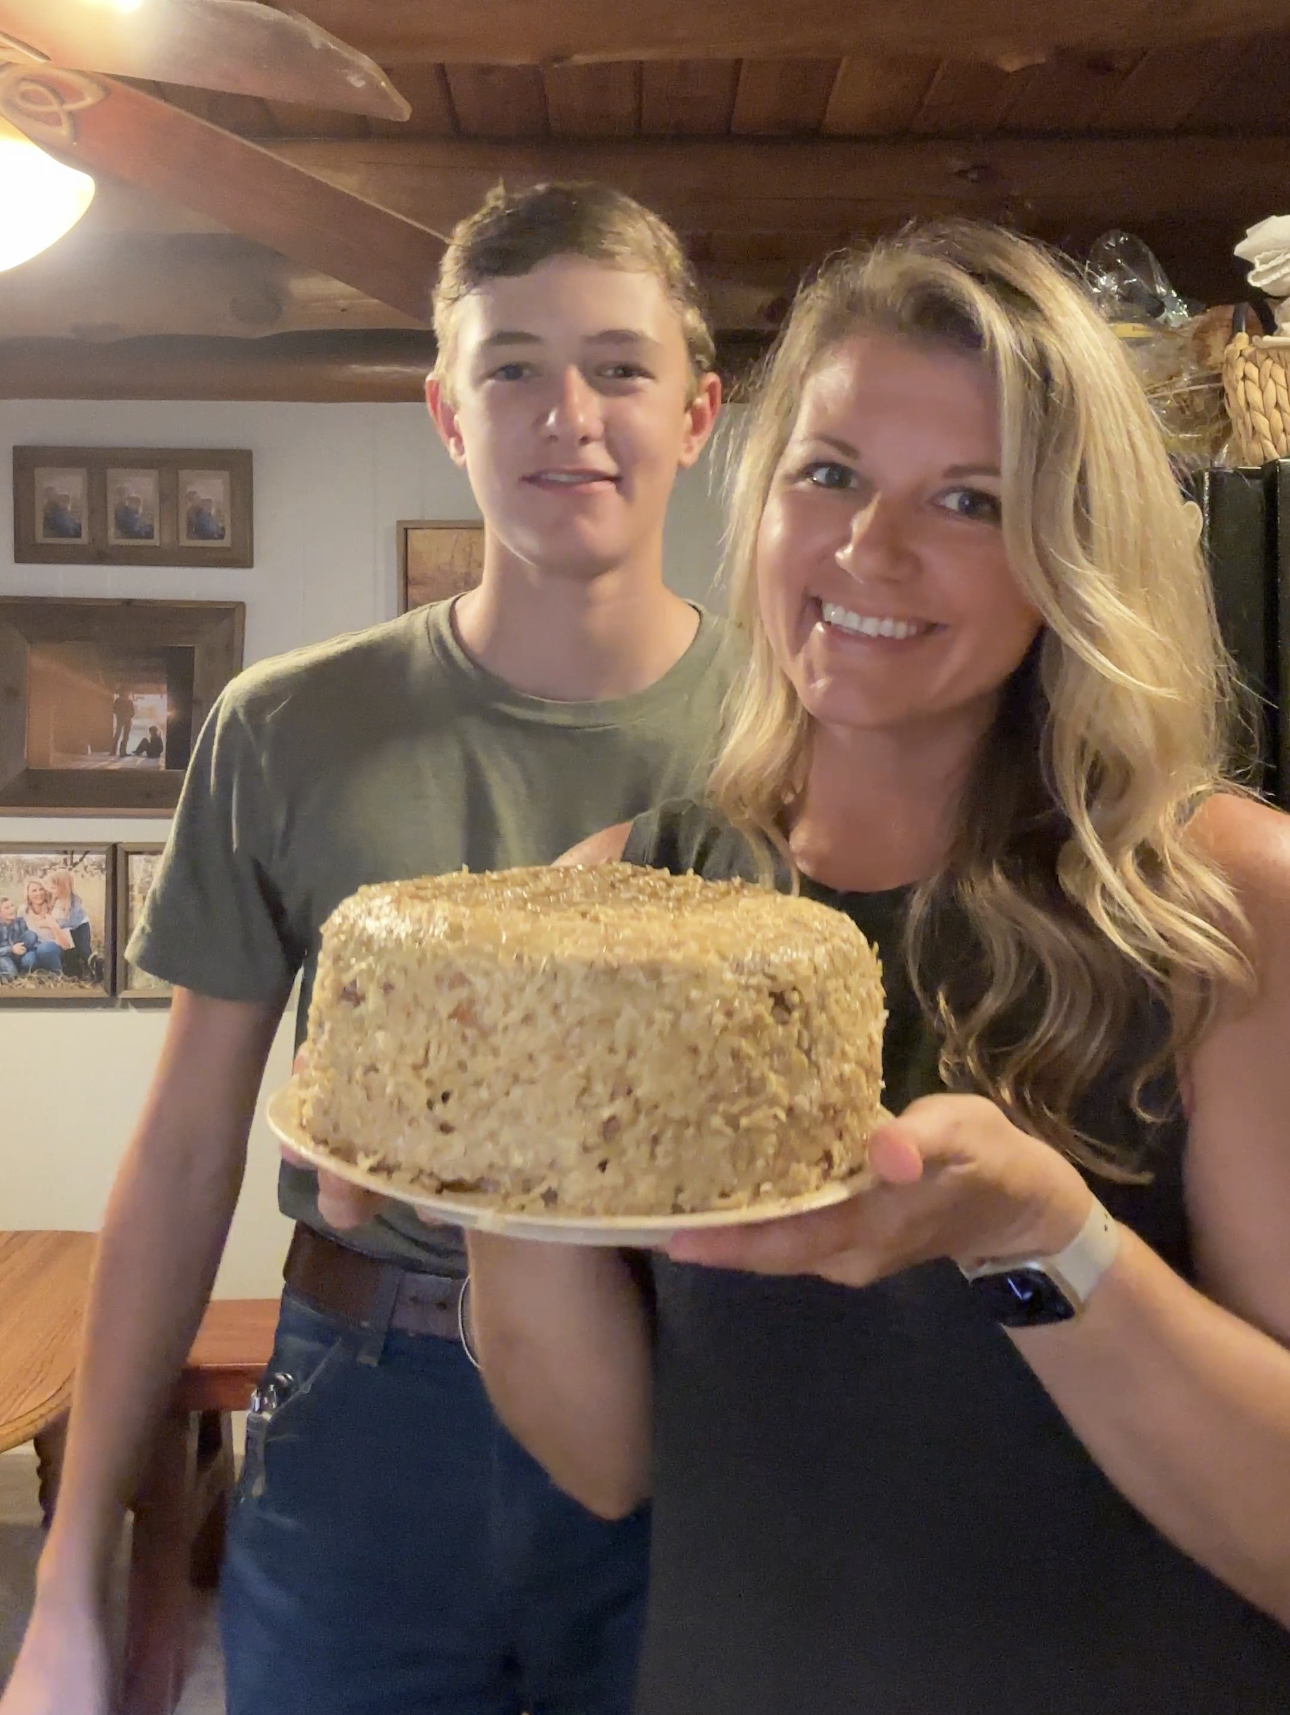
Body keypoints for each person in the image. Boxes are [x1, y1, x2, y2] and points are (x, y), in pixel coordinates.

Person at [459, 221, 1290, 1712]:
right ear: (760, 498)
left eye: (965, 499)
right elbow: (607, 1461)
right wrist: (481, 1167)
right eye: (827, 474)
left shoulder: (1226, 903)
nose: (867, 550)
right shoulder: (622, 905)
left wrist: (1044, 1237)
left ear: (1069, 549)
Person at [2, 181, 728, 1715]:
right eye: (510, 367)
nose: (567, 413)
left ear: (699, 411)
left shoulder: (794, 739)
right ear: (445, 414)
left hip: (706, 1404)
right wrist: (71, 1576)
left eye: (618, 365)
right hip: (368, 1406)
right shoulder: (286, 726)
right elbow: (188, 1148)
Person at [45, 869, 94, 981]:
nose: (50, 891)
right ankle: (74, 972)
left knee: (83, 950)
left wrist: (55, 923)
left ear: (63, 888)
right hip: (66, 931)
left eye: (53, 888)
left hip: (79, 928)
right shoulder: (55, 900)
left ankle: (91, 969)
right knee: (70, 952)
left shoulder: (73, 902)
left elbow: (71, 921)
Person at [20, 880, 71, 978]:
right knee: (27, 962)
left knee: (45, 949)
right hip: (35, 948)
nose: (38, 893)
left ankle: (58, 975)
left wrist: (52, 925)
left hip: (54, 947)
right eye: (34, 891)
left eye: (41, 889)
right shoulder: (23, 910)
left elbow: (66, 944)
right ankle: (44, 970)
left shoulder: (55, 909)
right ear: (28, 895)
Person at [0, 897, 40, 982]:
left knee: (31, 935)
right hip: (4, 956)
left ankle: (22, 967)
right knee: (11, 975)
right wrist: (11, 949)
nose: (12, 909)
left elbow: (28, 940)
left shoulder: (20, 921)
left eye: (12, 906)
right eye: (7, 908)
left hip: (19, 953)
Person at [110, 685, 134, 759]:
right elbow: (132, 712)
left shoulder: (119, 700)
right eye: (127, 692)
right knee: (122, 735)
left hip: (122, 719)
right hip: (124, 719)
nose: (128, 693)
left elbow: (114, 710)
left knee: (121, 735)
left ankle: (115, 751)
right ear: (123, 692)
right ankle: (121, 751)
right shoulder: (127, 701)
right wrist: (127, 716)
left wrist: (121, 715)